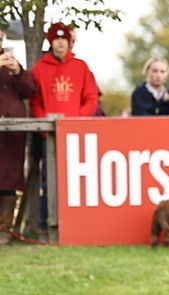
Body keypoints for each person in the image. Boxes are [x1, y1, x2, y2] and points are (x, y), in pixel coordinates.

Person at [30, 22, 97, 235]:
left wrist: (77, 121)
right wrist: (45, 124)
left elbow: (90, 98)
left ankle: (79, 225)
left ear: (69, 42)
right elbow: (35, 101)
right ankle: (44, 226)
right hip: (48, 134)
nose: (60, 43)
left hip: (75, 134)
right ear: (51, 42)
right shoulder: (40, 68)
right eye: (56, 39)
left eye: (64, 39)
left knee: (77, 181)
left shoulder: (81, 67)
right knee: (49, 182)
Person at [0, 22, 35, 244]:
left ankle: (5, 231)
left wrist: (19, 72)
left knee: (10, 181)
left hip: (12, 134)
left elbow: (31, 90)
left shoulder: (10, 62)